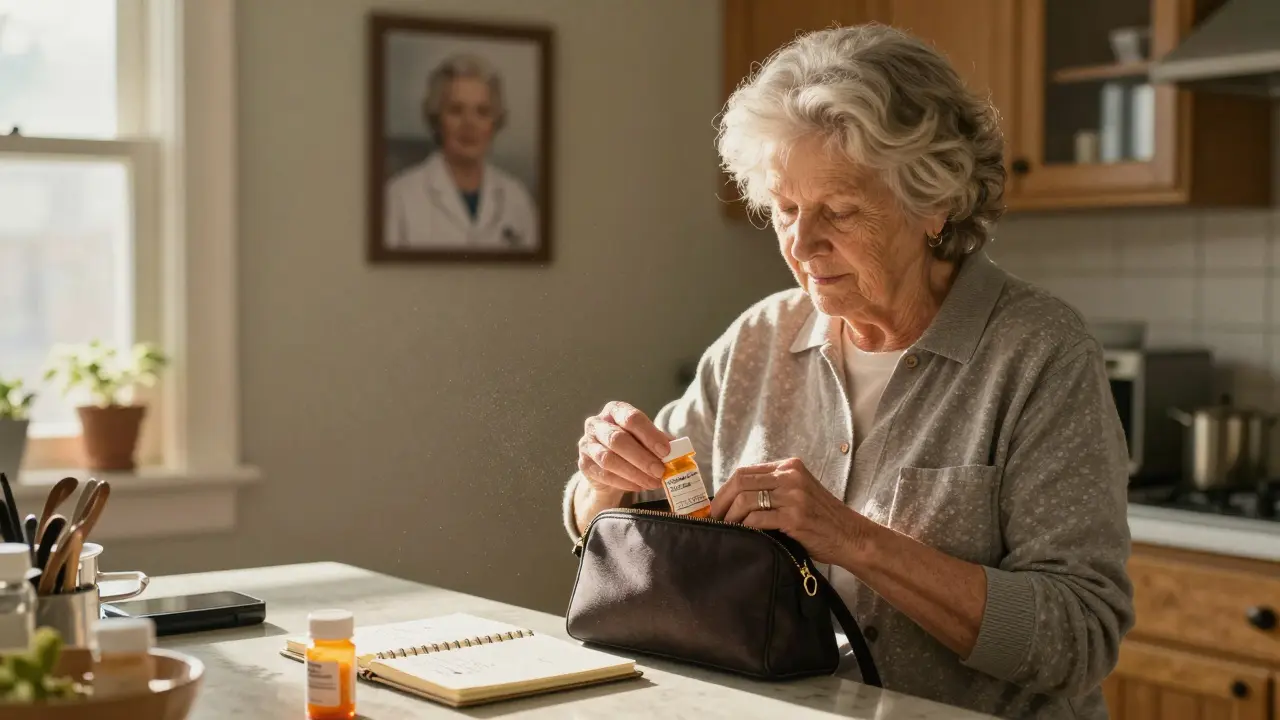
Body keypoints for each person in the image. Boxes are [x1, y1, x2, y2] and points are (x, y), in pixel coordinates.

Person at [561, 24, 1133, 720]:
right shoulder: (759, 340)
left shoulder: (1038, 353)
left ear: (936, 203)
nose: (802, 243)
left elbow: (1079, 638)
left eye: (839, 210)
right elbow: (614, 521)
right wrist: (602, 481)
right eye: (785, 209)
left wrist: (853, 539)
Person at [384, 53, 538, 251]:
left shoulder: (517, 198)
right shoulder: (399, 197)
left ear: (496, 122)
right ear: (436, 119)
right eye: (456, 110)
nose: (469, 125)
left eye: (482, 112)